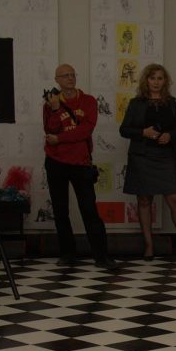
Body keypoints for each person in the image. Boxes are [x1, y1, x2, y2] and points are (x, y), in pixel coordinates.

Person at [43, 64, 116, 270]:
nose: (70, 78)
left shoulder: (88, 101)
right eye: (65, 75)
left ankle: (101, 256)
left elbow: (85, 131)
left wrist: (60, 138)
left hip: (80, 161)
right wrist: (55, 109)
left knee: (89, 209)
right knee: (60, 210)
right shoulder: (50, 102)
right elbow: (50, 129)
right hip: (56, 161)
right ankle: (67, 254)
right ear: (57, 79)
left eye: (72, 75)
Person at [119, 63, 176, 260]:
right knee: (144, 200)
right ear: (146, 80)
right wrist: (142, 132)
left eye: (160, 78)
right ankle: (149, 246)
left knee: (175, 200)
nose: (156, 82)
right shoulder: (136, 103)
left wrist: (170, 136)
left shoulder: (172, 103)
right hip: (142, 157)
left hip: (165, 156)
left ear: (165, 81)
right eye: (152, 78)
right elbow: (124, 130)